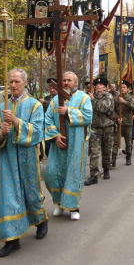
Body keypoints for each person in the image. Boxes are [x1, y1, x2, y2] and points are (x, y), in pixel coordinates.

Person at [0, 68, 48, 258]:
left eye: (16, 81)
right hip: (7, 158)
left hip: (27, 157)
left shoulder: (34, 106)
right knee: (9, 196)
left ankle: (40, 221)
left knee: (31, 192)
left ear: (24, 83)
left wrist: (15, 121)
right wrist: (1, 133)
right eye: (11, 82)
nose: (13, 85)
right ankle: (11, 239)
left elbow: (38, 132)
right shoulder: (1, 108)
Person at [44, 71, 92, 221]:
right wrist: (55, 136)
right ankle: (58, 203)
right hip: (59, 144)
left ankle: (73, 207)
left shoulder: (83, 98)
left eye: (69, 80)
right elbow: (48, 120)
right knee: (52, 174)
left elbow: (88, 116)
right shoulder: (55, 100)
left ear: (75, 82)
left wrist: (68, 111)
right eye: (63, 80)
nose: (66, 83)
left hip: (76, 144)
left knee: (72, 174)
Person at [85, 78, 114, 185]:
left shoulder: (108, 97)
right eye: (97, 84)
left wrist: (93, 100)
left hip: (107, 127)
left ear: (105, 87)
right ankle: (93, 175)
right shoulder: (90, 96)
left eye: (101, 84)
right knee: (95, 152)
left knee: (106, 151)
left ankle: (106, 169)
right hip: (95, 128)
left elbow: (103, 108)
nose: (98, 86)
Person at [114, 80, 134, 166]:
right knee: (115, 142)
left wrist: (124, 102)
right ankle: (113, 159)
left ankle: (128, 157)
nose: (122, 89)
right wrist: (117, 118)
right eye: (121, 87)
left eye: (124, 87)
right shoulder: (116, 98)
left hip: (128, 123)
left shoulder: (132, 97)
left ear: (127, 89)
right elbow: (113, 110)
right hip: (118, 123)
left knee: (128, 142)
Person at [109, 83, 120, 167]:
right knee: (108, 142)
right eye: (111, 87)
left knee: (115, 141)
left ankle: (114, 158)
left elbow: (119, 108)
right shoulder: (107, 94)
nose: (112, 88)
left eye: (114, 87)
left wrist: (119, 117)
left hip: (116, 120)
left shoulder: (118, 95)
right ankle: (108, 159)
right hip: (108, 120)